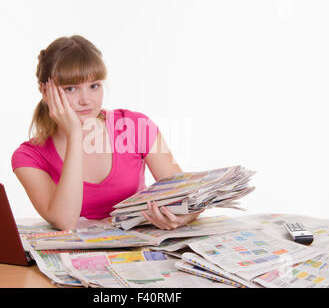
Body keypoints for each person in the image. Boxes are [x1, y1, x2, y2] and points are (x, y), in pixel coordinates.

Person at [11, 35, 203, 231]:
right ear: (45, 91)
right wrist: (75, 135)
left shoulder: (136, 126)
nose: (86, 100)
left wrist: (183, 218)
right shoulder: (28, 157)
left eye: (94, 86)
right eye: (71, 88)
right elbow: (65, 221)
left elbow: (189, 197)